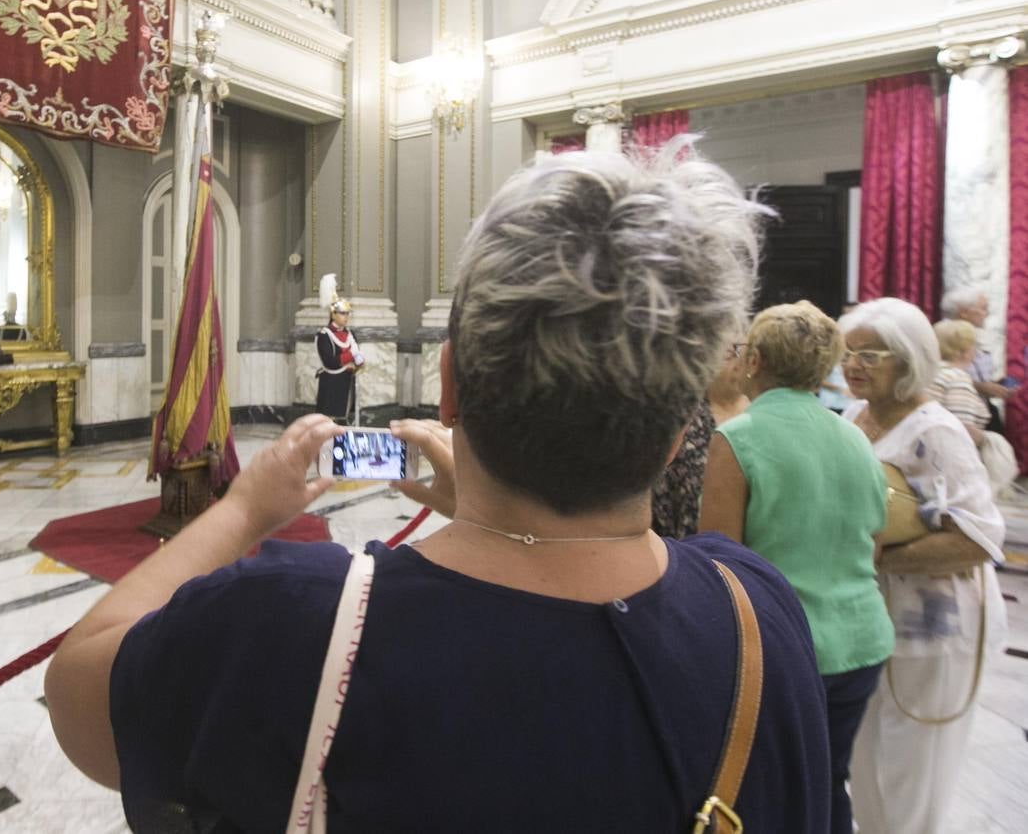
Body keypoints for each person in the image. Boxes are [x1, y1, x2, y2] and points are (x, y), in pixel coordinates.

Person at [44, 146, 831, 830]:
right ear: (676, 434)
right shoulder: (758, 606)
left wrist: (246, 509)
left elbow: (80, 691)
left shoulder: (298, 622)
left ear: (448, 385)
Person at [698, 300, 892, 834]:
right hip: (860, 642)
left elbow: (720, 560)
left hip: (780, 648)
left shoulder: (739, 437)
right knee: (829, 782)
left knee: (768, 790)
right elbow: (873, 544)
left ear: (754, 361)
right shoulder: (855, 437)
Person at [838, 298, 1007, 834]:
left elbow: (979, 539)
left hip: (934, 628)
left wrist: (874, 555)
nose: (854, 364)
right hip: (867, 621)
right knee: (867, 769)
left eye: (870, 353)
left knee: (914, 774)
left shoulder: (935, 432)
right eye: (848, 353)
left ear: (909, 358)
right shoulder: (851, 419)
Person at [650, 343, 749, 540]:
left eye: (744, 350)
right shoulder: (684, 414)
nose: (739, 362)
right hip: (685, 542)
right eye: (730, 352)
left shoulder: (759, 413)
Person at [929, 319, 1019, 493]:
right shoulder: (957, 379)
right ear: (964, 352)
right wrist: (990, 441)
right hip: (948, 470)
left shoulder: (930, 374)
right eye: (973, 347)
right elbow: (961, 431)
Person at [941, 287, 1018, 433]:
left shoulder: (972, 337)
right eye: (983, 309)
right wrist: (982, 387)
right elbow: (941, 376)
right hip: (959, 419)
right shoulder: (945, 337)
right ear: (964, 312)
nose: (986, 314)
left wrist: (993, 385)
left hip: (980, 412)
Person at [315, 273, 364, 420]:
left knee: (345, 422)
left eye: (347, 314)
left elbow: (357, 359)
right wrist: (351, 356)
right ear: (333, 314)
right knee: (328, 422)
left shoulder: (350, 334)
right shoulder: (324, 335)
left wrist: (358, 362)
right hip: (331, 384)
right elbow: (330, 361)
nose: (346, 317)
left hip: (346, 382)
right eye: (343, 313)